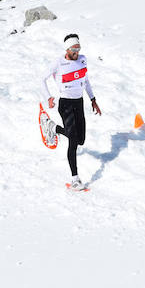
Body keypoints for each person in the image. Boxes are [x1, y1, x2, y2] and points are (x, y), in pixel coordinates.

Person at [40, 33, 101, 189]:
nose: (77, 52)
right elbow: (41, 79)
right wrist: (48, 97)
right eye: (74, 49)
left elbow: (85, 80)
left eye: (78, 48)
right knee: (73, 141)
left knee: (80, 140)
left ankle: (53, 127)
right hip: (65, 104)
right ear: (67, 49)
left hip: (79, 103)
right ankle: (75, 179)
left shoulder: (82, 60)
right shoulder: (58, 63)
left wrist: (93, 100)